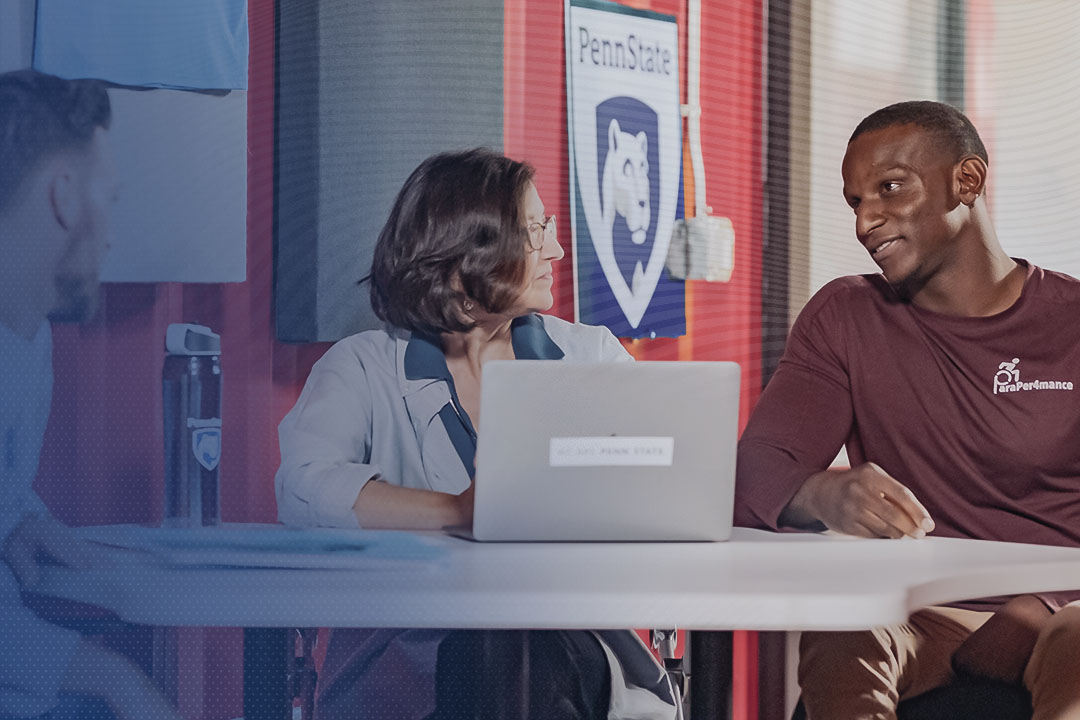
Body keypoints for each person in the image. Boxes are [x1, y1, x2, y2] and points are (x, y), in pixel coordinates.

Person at [275, 149, 677, 719]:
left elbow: (667, 481)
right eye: (536, 232)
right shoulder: (361, 368)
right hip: (410, 664)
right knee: (489, 648)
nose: (556, 250)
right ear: (465, 257)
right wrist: (460, 511)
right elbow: (302, 489)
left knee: (523, 644)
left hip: (573, 652)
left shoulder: (591, 357)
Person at [735, 100, 1080, 720]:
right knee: (844, 621)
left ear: (965, 182)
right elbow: (753, 472)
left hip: (1065, 613)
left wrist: (1047, 602)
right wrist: (821, 495)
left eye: (890, 189)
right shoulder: (844, 317)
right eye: (856, 202)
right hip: (914, 614)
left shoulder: (1074, 322)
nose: (867, 220)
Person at [0, 70, 182, 720]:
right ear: (65, 197)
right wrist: (114, 680)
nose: (109, 237)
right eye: (108, 198)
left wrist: (20, 516)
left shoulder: (28, 338)